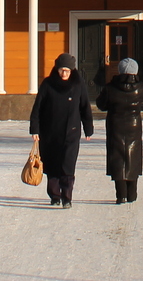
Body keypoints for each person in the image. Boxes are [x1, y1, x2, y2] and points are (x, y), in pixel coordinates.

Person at [29, 52, 93, 207]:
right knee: (52, 164)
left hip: (71, 132)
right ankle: (55, 196)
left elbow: (85, 107)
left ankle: (67, 197)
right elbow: (37, 108)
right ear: (57, 69)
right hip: (50, 133)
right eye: (61, 70)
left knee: (68, 165)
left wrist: (88, 128)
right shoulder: (48, 84)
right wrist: (35, 130)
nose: (64, 73)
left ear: (72, 71)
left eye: (67, 71)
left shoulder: (78, 85)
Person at [96, 57, 143, 204]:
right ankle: (132, 194)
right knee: (133, 158)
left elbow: (101, 104)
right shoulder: (140, 88)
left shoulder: (110, 88)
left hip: (115, 126)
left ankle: (120, 195)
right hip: (134, 127)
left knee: (117, 158)